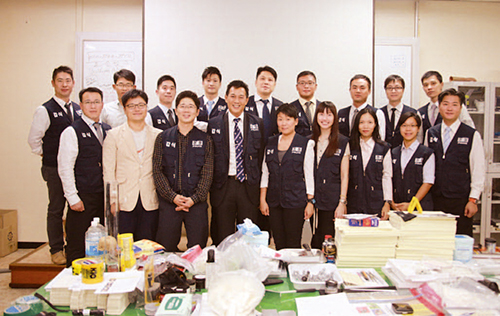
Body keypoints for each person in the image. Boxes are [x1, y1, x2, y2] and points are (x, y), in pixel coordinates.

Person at [28, 65, 82, 265]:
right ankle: (56, 248)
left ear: (73, 83)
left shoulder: (77, 108)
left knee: (75, 208)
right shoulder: (45, 110)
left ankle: (72, 245)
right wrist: (48, 155)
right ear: (53, 84)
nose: (64, 84)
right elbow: (34, 140)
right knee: (56, 208)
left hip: (76, 169)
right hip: (53, 168)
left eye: (68, 80)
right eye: (60, 80)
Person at [153, 91, 214, 251]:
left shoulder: (205, 140)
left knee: (197, 250)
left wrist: (194, 198)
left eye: (191, 107)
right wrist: (172, 197)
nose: (186, 110)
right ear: (176, 110)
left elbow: (207, 174)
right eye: (183, 106)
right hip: (169, 202)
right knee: (165, 249)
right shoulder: (163, 138)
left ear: (197, 112)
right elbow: (157, 172)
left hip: (196, 204)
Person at [58, 87, 111, 267]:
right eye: (88, 102)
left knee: (102, 245)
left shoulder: (107, 130)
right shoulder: (71, 131)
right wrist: (72, 197)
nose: (93, 106)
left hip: (102, 196)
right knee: (78, 244)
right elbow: (65, 167)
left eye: (96, 102)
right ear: (80, 105)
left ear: (102, 104)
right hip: (82, 198)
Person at [208, 80, 265, 245]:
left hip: (248, 186)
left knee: (247, 236)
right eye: (233, 96)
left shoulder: (257, 123)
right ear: (225, 97)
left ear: (247, 100)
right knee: (223, 236)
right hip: (223, 185)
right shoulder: (214, 123)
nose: (236, 101)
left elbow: (260, 156)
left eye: (241, 97)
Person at [103, 89, 161, 241]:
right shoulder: (113, 135)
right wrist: (112, 201)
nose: (137, 109)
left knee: (147, 245)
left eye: (141, 105)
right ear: (125, 109)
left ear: (146, 107)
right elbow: (108, 172)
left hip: (149, 198)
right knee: (124, 246)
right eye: (131, 106)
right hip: (124, 200)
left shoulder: (158, 135)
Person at [425, 88, 485, 236]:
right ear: (439, 107)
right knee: (436, 240)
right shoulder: (431, 133)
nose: (449, 108)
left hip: (461, 200)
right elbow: (426, 168)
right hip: (435, 199)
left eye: (454, 104)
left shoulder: (471, 134)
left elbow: (478, 169)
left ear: (461, 108)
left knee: (460, 241)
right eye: (445, 104)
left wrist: (473, 199)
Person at [260, 103, 315, 250]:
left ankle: (293, 271)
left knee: (293, 242)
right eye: (280, 119)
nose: (284, 123)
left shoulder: (306, 143)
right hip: (274, 201)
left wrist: (311, 202)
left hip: (296, 201)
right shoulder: (270, 143)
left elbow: (309, 175)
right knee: (278, 242)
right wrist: (262, 199)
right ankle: (282, 270)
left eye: (288, 119)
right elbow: (265, 173)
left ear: (296, 121)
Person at [310, 101, 349, 249]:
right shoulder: (309, 140)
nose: (325, 118)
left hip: (332, 200)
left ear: (335, 118)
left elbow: (345, 175)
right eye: (321, 114)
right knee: (315, 239)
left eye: (329, 114)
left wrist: (342, 202)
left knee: (329, 239)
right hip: (312, 198)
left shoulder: (343, 141)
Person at [347, 107, 392, 219]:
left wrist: (387, 202)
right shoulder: (350, 146)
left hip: (376, 202)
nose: (365, 126)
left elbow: (387, 176)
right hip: (353, 202)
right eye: (362, 122)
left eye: (370, 122)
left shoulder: (383, 148)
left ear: (375, 124)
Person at [391, 112, 434, 211]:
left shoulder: (427, 153)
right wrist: (392, 202)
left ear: (418, 128)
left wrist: (412, 203)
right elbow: (388, 179)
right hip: (397, 206)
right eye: (404, 125)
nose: (408, 129)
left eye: (412, 126)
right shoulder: (393, 152)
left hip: (419, 207)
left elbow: (428, 182)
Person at [418, 70, 475, 137]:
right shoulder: (421, 112)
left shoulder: (455, 106)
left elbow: (470, 129)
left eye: (433, 83)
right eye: (426, 85)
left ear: (441, 85)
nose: (429, 87)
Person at [338, 74, 386, 140]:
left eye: (362, 88)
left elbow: (380, 139)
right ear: (350, 90)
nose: (358, 91)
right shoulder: (341, 113)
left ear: (369, 91)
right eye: (354, 88)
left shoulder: (377, 113)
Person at [245, 66, 283, 140]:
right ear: (256, 82)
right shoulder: (245, 103)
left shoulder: (280, 106)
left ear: (274, 84)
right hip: (250, 149)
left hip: (273, 148)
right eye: (262, 79)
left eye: (270, 80)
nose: (266, 82)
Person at [380, 74, 418, 148]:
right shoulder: (379, 113)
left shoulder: (413, 113)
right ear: (385, 90)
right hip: (384, 155)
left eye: (397, 88)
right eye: (390, 88)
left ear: (403, 90)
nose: (393, 91)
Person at [289, 71, 320, 137]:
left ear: (315, 86)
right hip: (298, 144)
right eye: (302, 83)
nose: (306, 86)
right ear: (297, 87)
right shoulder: (290, 108)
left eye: (310, 83)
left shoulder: (323, 107)